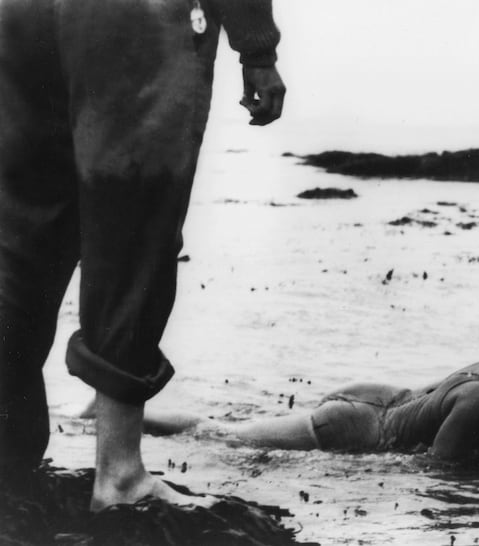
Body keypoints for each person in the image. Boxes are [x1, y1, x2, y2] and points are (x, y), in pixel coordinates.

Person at [0, 0, 285, 511]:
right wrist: (257, 48)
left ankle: (7, 459)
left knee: (17, 229)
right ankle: (120, 475)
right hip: (134, 21)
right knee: (132, 228)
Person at [82, 315, 479, 459]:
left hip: (385, 400)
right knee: (221, 435)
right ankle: (108, 412)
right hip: (360, 424)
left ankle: (113, 411)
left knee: (230, 429)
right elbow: (437, 469)